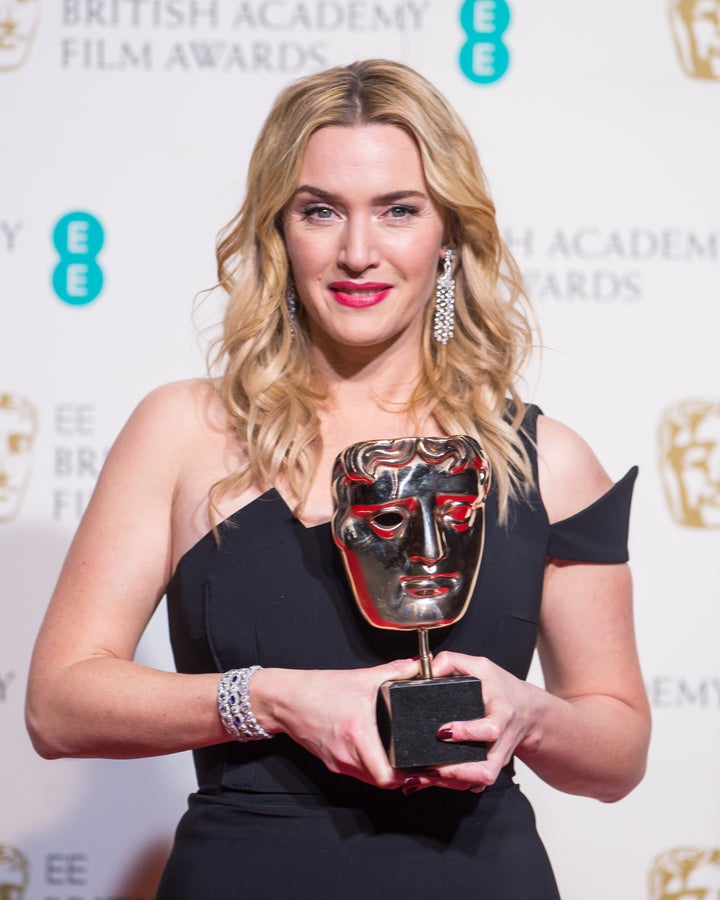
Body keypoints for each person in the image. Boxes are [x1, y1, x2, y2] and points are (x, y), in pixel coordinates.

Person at [25, 59, 651, 898]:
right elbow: (58, 706)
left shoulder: (546, 461)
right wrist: (273, 699)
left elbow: (618, 754)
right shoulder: (186, 432)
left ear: (449, 233)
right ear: (279, 232)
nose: (359, 252)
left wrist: (526, 712)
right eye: (321, 211)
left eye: (399, 210)